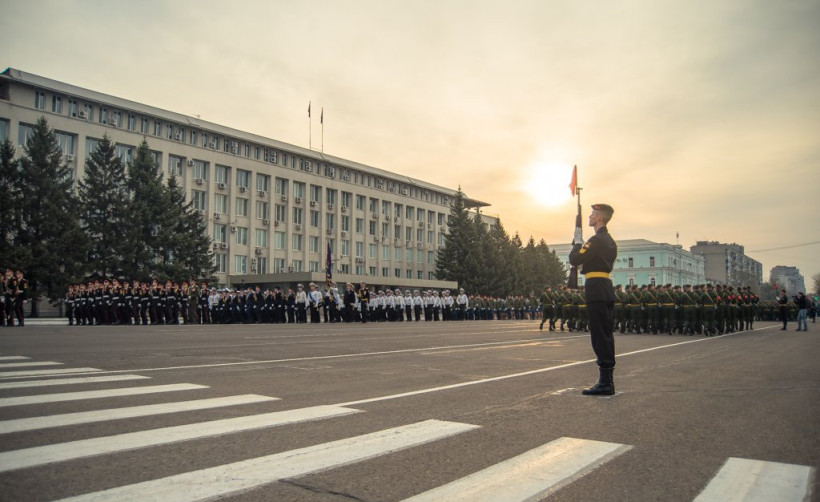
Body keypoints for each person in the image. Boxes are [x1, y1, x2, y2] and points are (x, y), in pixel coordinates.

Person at [569, 203, 618, 396]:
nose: (589, 217)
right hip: (604, 287)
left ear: (598, 218)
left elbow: (575, 259)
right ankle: (607, 380)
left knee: (599, 336)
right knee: (605, 334)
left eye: (592, 214)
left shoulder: (597, 240)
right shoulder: (609, 241)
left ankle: (605, 383)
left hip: (596, 289)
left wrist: (577, 243)